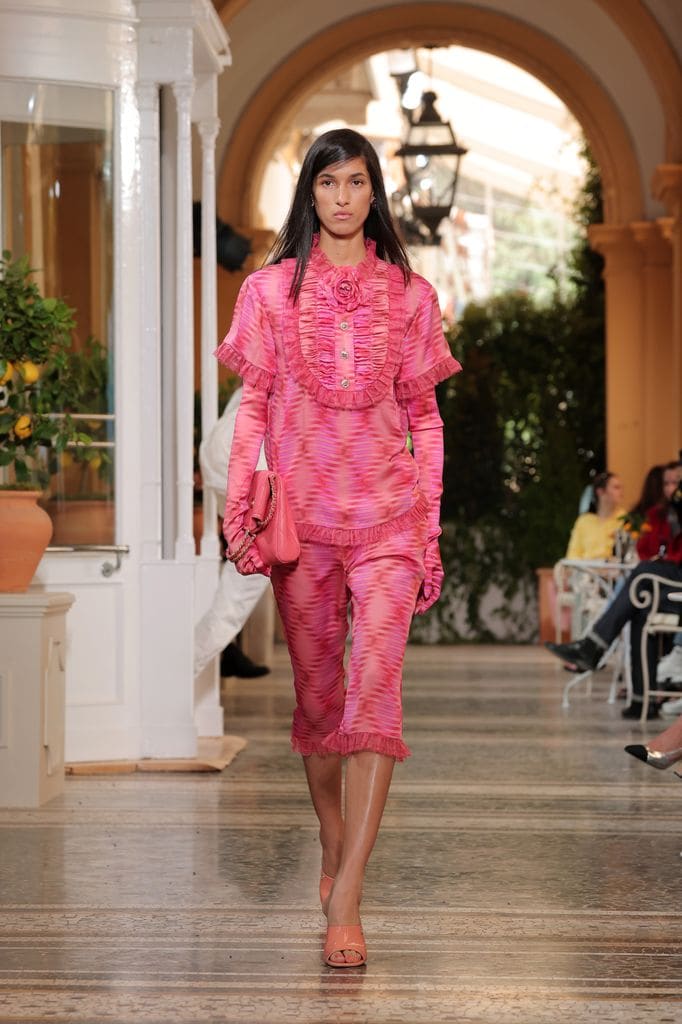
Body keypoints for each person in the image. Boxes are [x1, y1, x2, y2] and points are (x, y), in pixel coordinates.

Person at [214, 128, 461, 967]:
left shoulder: (413, 296)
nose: (344, 197)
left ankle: (348, 894)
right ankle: (332, 836)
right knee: (321, 706)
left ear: (374, 194)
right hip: (304, 526)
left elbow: (427, 422)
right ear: (311, 194)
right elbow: (254, 408)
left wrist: (427, 524)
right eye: (329, 183)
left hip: (390, 523)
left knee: (374, 699)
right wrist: (242, 503)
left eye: (357, 182)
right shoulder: (268, 293)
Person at [546, 463, 682, 718]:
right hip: (639, 582)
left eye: (676, 483)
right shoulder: (659, 514)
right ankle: (642, 702)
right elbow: (646, 549)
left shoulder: (631, 517)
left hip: (672, 586)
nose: (671, 488)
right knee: (640, 604)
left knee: (641, 578)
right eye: (667, 483)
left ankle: (592, 646)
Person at [193, 387, 270, 680]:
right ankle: (180, 670)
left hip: (222, 449)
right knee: (237, 596)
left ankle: (203, 659)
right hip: (248, 462)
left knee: (237, 588)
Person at [564, 471, 625, 560]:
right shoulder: (584, 521)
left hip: (613, 568)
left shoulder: (625, 519)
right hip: (585, 568)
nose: (621, 492)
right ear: (600, 492)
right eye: (616, 487)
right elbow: (572, 554)